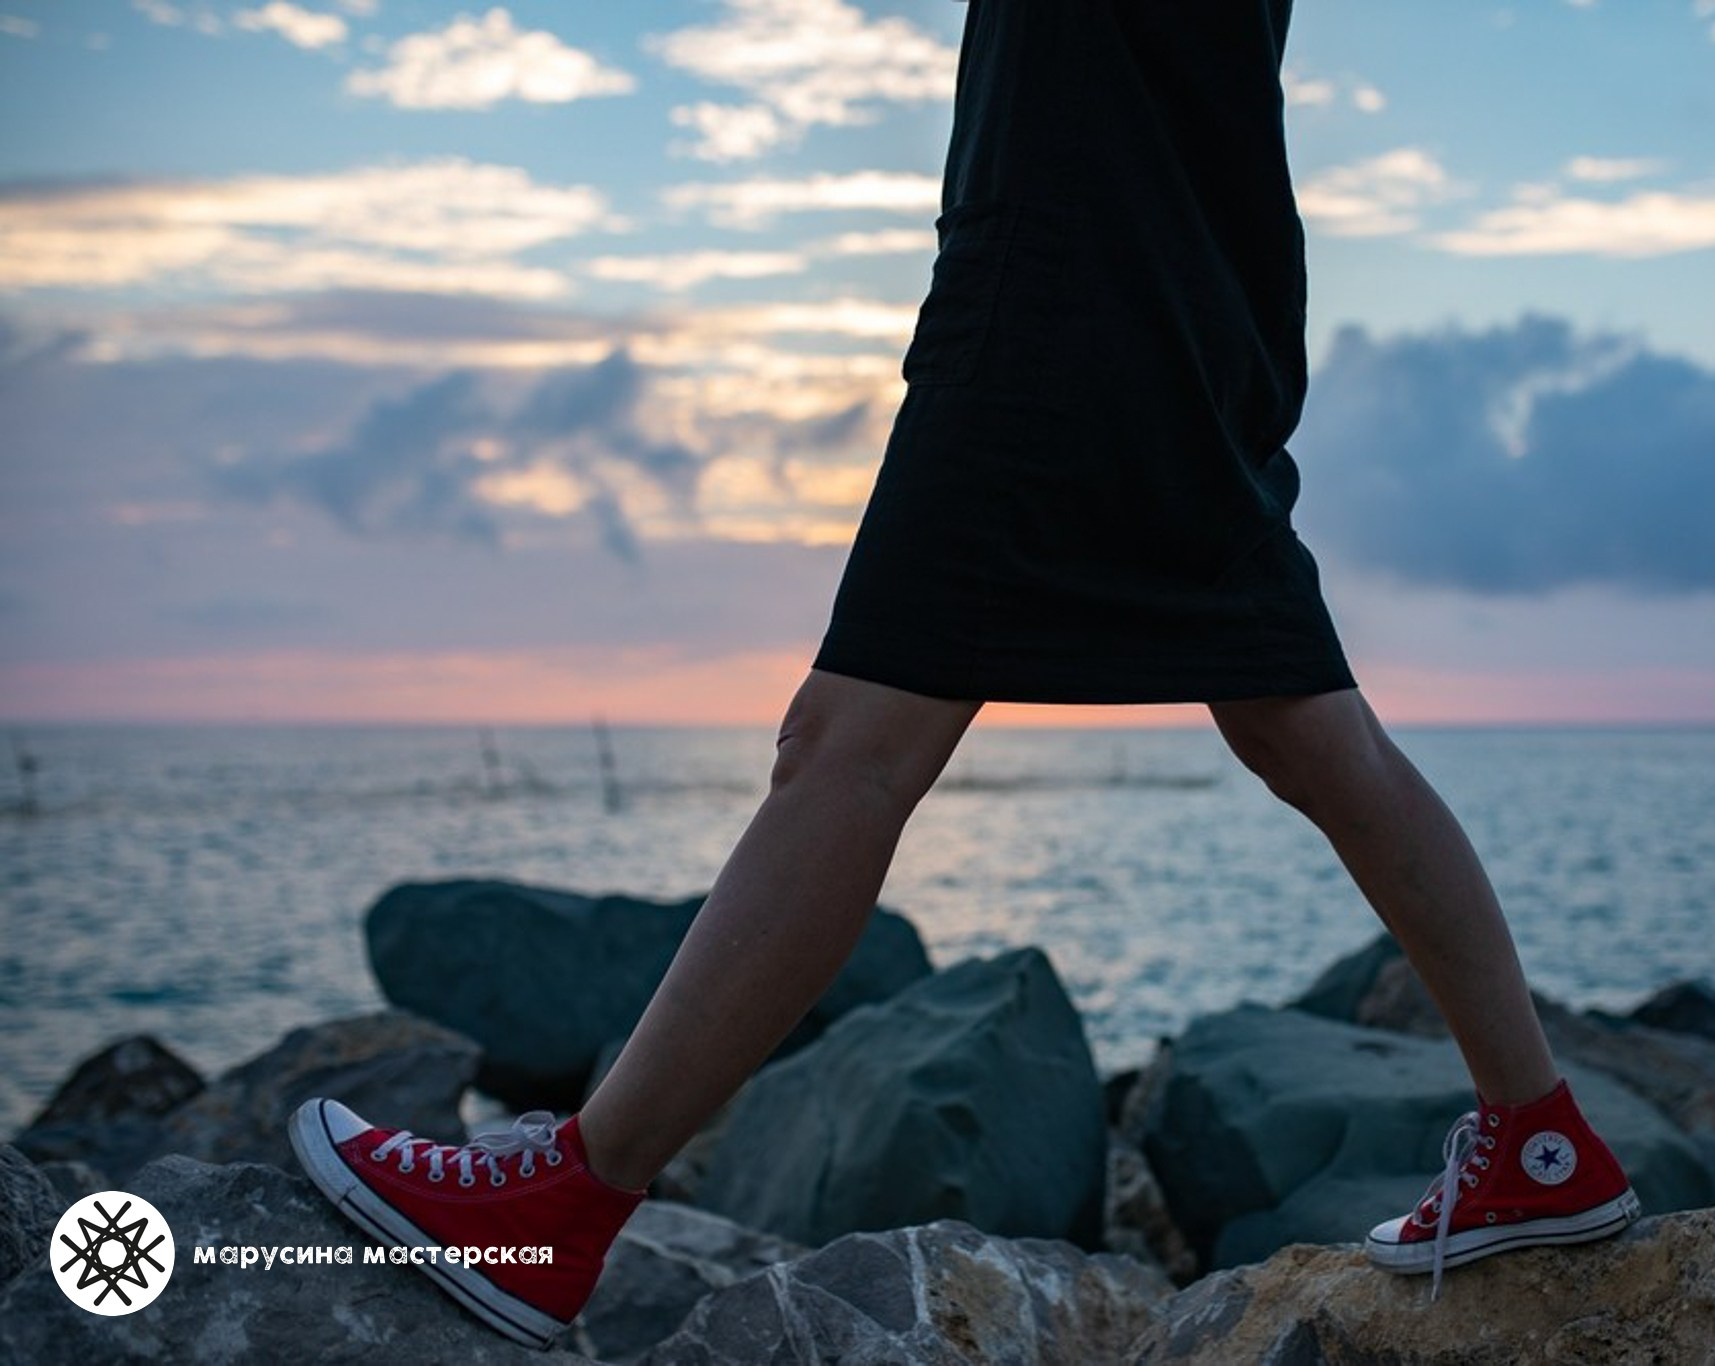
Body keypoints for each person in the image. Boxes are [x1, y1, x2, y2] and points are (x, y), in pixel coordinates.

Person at [289, 0, 1637, 1346]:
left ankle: (562, 1205)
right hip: (1195, 288)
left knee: (850, 743)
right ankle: (1540, 1133)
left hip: (1062, 288)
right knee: (1300, 726)